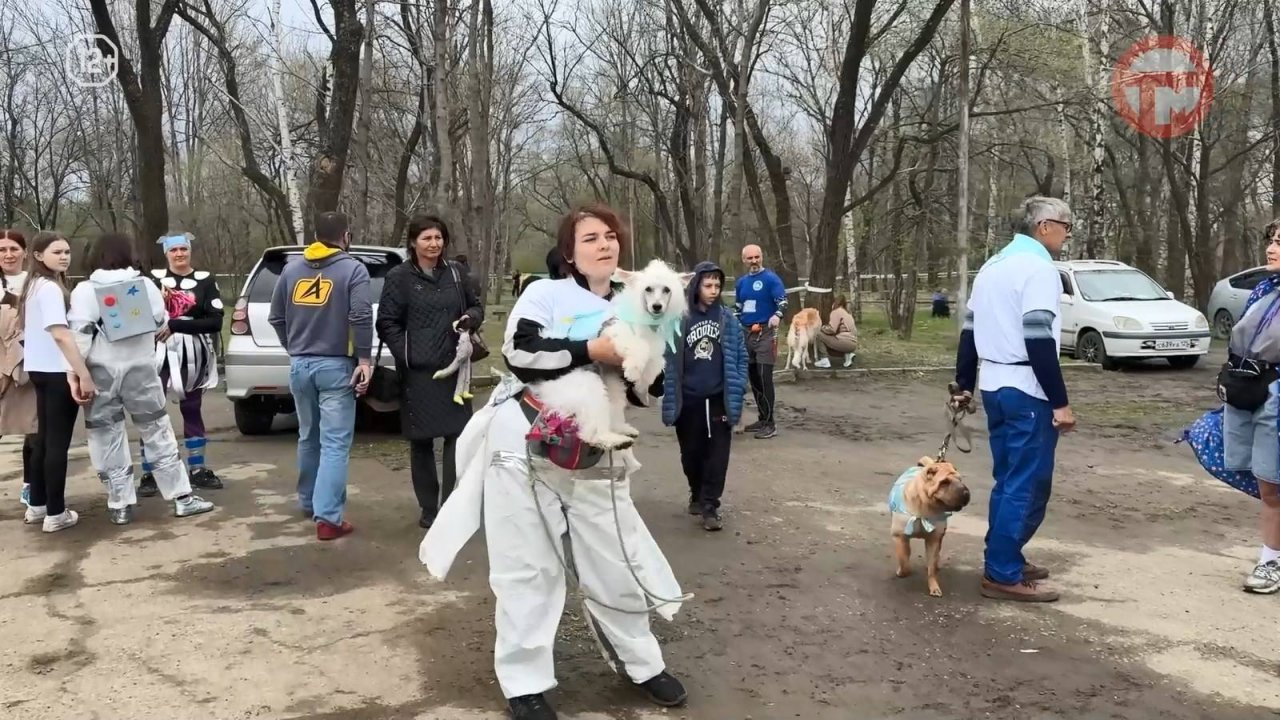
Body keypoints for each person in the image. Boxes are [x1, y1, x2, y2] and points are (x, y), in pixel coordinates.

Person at [420, 203, 687, 720]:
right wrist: (593, 350)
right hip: (525, 440)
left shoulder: (640, 302)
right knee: (528, 566)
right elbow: (521, 352)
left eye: (610, 236)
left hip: (597, 447)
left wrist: (643, 369)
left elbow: (646, 386)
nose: (604, 245)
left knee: (615, 557)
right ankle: (524, 681)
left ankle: (641, 662)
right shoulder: (544, 294)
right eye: (590, 238)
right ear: (569, 251)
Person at [950, 196, 1076, 603]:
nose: (1067, 235)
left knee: (1009, 479)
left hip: (994, 384)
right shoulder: (1039, 269)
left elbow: (970, 331)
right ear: (1044, 226)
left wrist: (963, 384)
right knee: (1028, 484)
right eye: (1066, 226)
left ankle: (1005, 556)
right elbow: (1038, 337)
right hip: (1027, 388)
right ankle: (1002, 571)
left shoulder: (993, 265)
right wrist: (1060, 401)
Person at [65, 233, 216, 525]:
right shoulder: (145, 285)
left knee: (106, 436)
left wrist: (75, 374)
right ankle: (182, 497)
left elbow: (79, 337)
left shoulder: (84, 291)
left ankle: (120, 503)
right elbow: (161, 322)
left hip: (100, 374)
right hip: (142, 370)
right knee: (157, 430)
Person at [268, 212, 373, 541]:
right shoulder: (353, 269)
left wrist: (294, 348)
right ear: (346, 236)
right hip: (336, 367)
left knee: (308, 436)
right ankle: (327, 518)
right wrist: (365, 359)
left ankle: (308, 500)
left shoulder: (291, 269)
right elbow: (360, 315)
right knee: (335, 443)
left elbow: (276, 317)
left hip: (300, 366)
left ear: (315, 236)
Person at [375, 215, 483, 529]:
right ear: (413, 242)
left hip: (455, 368)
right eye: (427, 238)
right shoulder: (399, 277)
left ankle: (451, 504)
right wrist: (407, 353)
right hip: (418, 372)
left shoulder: (456, 272)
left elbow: (476, 306)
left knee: (456, 436)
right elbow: (387, 322)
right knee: (421, 440)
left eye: (438, 238)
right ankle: (428, 507)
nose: (434, 244)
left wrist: (470, 318)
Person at [16, 231, 97, 532]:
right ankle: (56, 513)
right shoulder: (49, 288)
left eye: (66, 252)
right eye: (56, 252)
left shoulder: (33, 285)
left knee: (44, 439)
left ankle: (38, 506)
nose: (64, 257)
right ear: (38, 255)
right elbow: (61, 334)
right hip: (56, 371)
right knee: (56, 444)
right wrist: (83, 373)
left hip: (39, 370)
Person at [662, 261, 747, 531]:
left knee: (718, 456)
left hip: (719, 398)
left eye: (717, 285)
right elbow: (665, 356)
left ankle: (710, 506)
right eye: (708, 285)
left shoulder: (727, 319)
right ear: (696, 286)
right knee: (691, 454)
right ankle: (697, 492)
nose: (713, 290)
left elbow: (741, 356)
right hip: (688, 400)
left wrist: (738, 383)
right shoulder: (679, 319)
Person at [1219, 218, 1280, 593]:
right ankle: (1271, 558)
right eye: (1272, 240)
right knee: (1267, 485)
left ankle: (1270, 562)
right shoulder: (1265, 289)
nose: (1271, 248)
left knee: (1273, 486)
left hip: (1275, 399)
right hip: (1250, 392)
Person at [138, 232, 224, 497]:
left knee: (192, 407)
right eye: (173, 250)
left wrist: (177, 325)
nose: (179, 254)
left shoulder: (205, 280)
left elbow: (216, 321)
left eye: (183, 249)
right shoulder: (152, 280)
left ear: (189, 251)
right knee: (151, 411)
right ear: (166, 253)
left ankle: (197, 468)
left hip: (192, 356)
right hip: (156, 354)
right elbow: (138, 314)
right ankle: (150, 472)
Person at [733, 244, 787, 439]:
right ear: (744, 260)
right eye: (750, 258)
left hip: (765, 333)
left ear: (762, 257)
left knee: (764, 377)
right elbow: (738, 308)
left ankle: (771, 424)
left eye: (757, 257)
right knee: (754, 378)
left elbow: (783, 301)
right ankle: (762, 418)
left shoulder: (771, 279)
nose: (754, 261)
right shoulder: (741, 283)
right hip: (746, 333)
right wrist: (733, 322)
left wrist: (777, 315)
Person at [0, 229, 37, 508]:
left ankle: (31, 486)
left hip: (28, 365)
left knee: (34, 429)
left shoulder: (35, 283)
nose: (8, 254)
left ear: (25, 252)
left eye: (14, 248)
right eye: (2, 250)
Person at [813, 294, 858, 369]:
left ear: (834, 303)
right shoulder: (847, 313)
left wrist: (822, 328)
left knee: (818, 334)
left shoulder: (836, 312)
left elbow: (832, 329)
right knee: (832, 343)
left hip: (844, 342)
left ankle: (824, 359)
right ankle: (848, 355)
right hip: (853, 344)